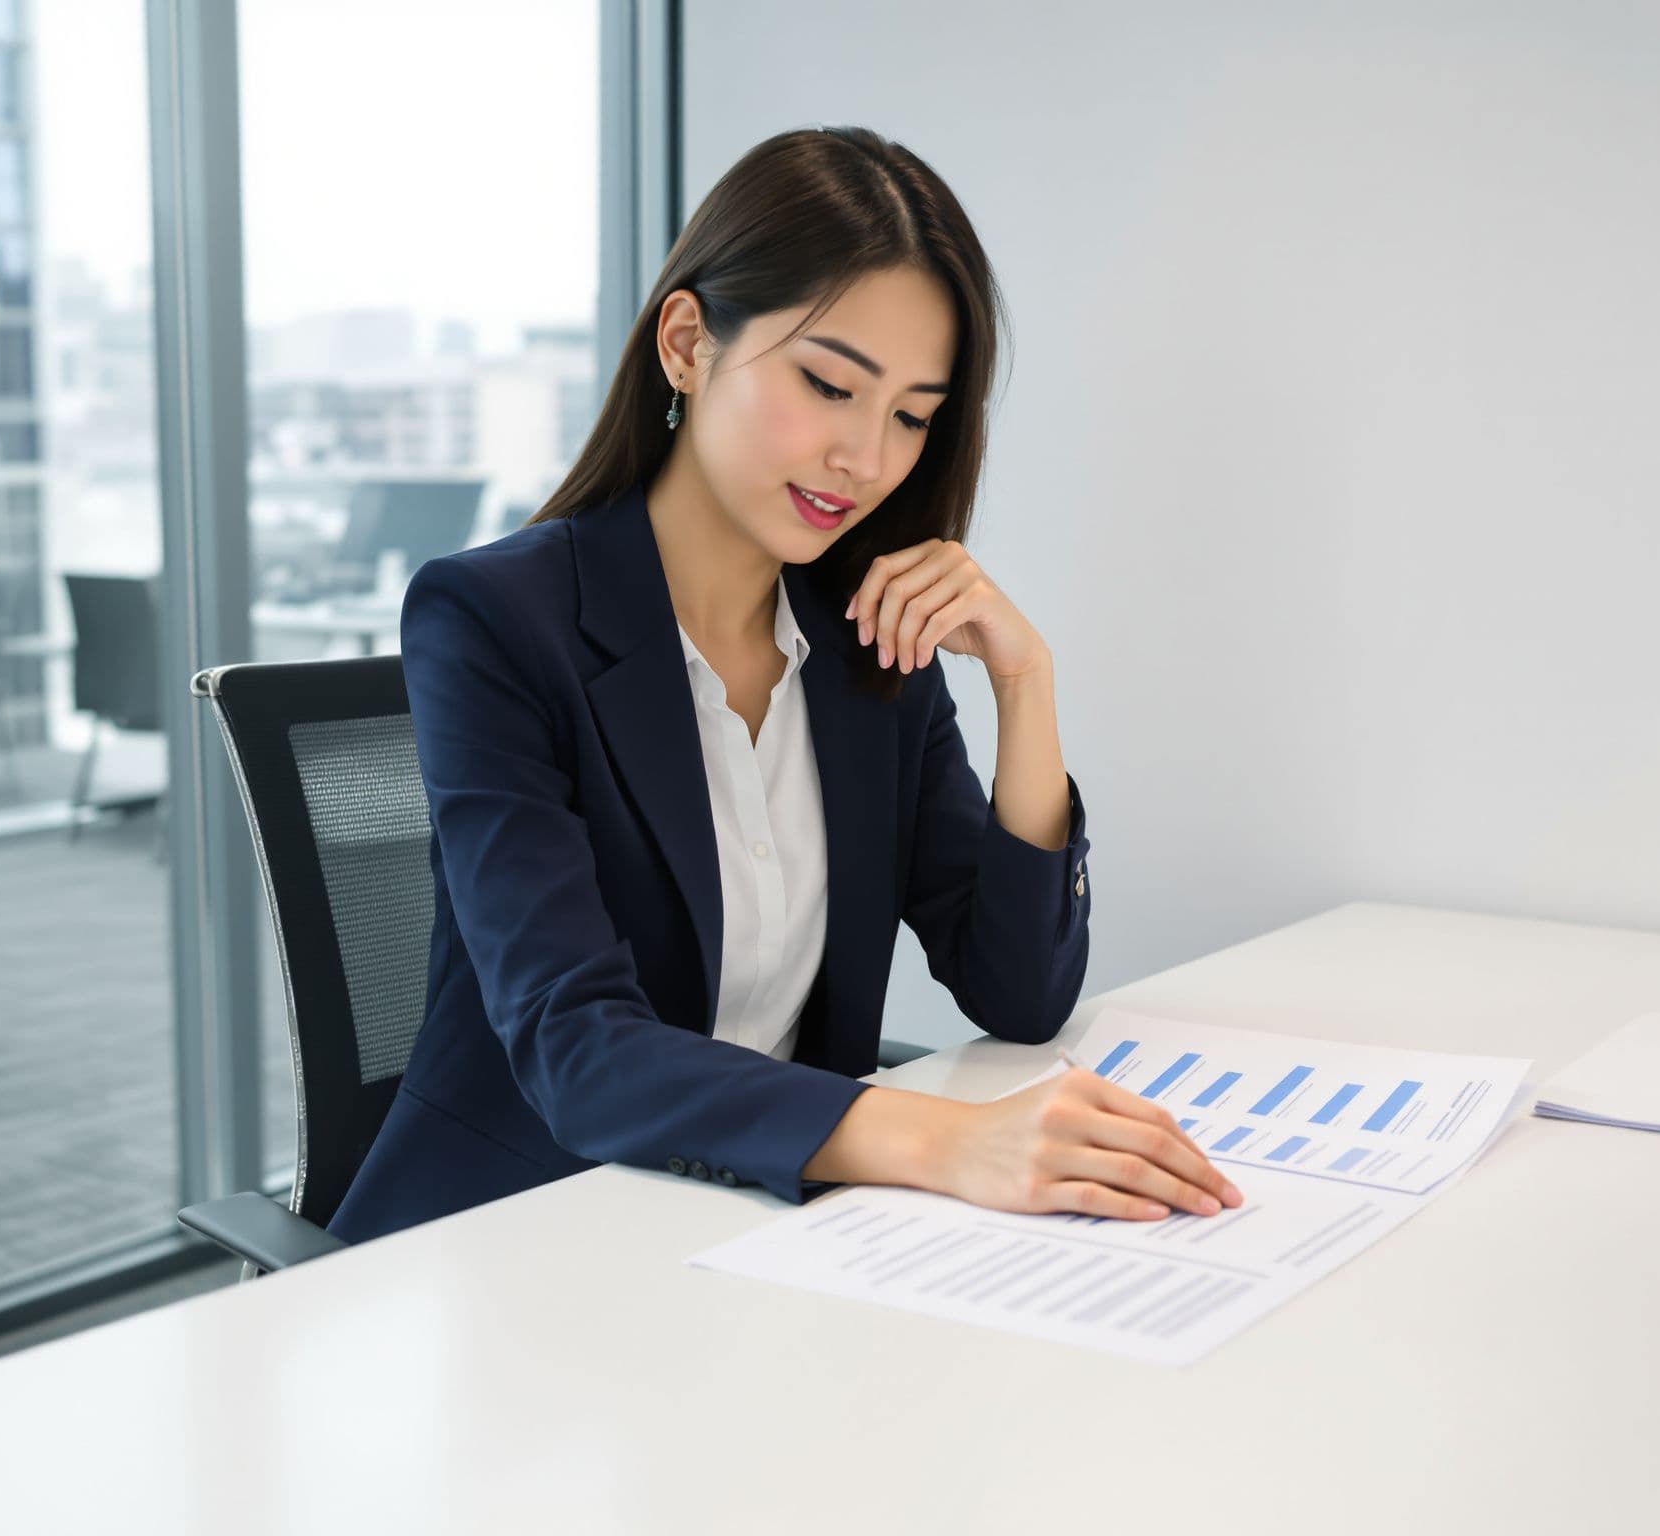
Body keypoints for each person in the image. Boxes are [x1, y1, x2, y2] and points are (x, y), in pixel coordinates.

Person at [324, 126, 1240, 1244]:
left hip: (768, 1236)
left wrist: (1025, 684)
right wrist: (939, 1138)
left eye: (910, 414)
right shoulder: (496, 622)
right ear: (686, 343)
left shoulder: (865, 640)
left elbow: (1020, 992)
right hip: (516, 1237)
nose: (866, 457)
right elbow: (578, 1050)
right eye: (827, 385)